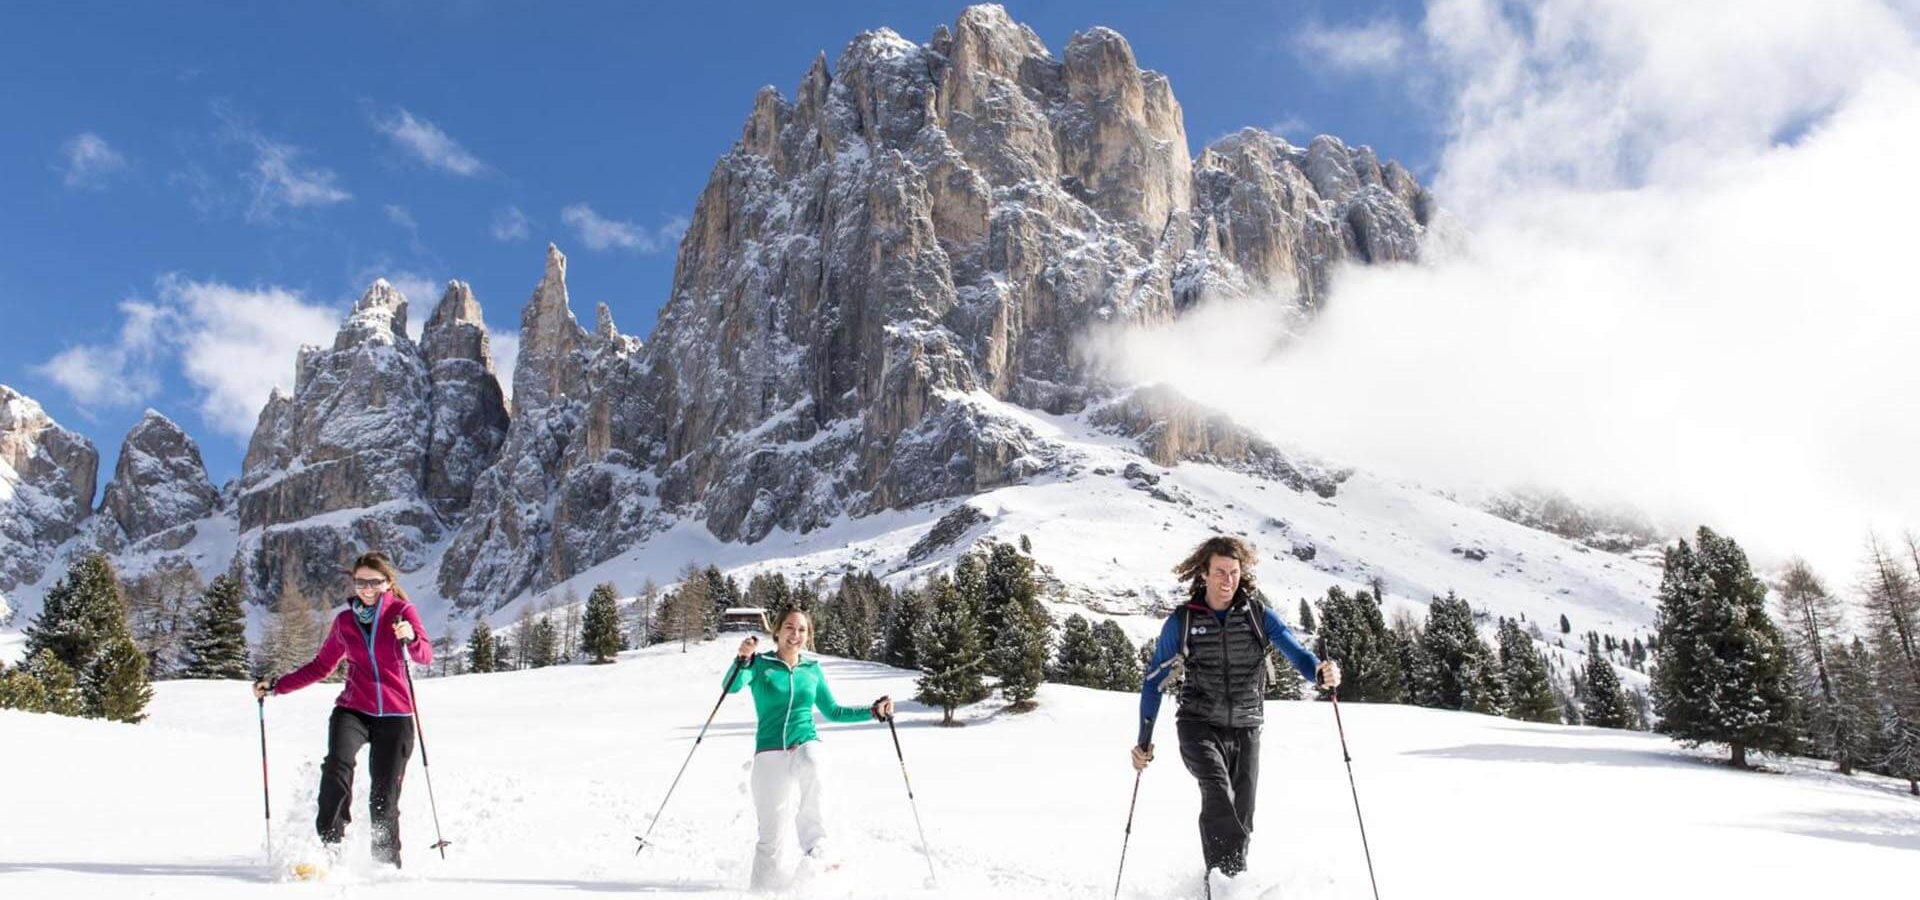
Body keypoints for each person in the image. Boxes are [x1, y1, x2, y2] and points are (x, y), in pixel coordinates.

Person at [1131, 536, 1341, 881]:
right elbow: (1154, 681)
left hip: (1246, 726)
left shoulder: (1258, 616)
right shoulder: (1183, 621)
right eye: (1220, 572)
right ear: (1204, 573)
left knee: (1242, 814)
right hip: (1198, 724)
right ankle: (1225, 885)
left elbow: (1298, 654)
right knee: (1216, 790)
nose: (1227, 580)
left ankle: (1228, 878)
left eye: (1234, 572)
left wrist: (1320, 671)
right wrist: (1143, 741)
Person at [254, 551, 433, 868]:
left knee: (384, 795)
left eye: (373, 582)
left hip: (395, 716)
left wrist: (412, 637)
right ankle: (329, 848)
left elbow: (424, 655)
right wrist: (278, 686)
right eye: (360, 581)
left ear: (387, 583)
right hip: (354, 709)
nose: (366, 588)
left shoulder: (402, 612)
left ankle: (385, 865)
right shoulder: (345, 621)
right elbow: (322, 666)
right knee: (337, 766)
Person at [727, 608, 894, 890]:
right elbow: (730, 687)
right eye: (790, 628)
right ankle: (762, 891)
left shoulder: (812, 670)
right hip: (769, 751)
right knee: (771, 836)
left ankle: (816, 847)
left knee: (814, 761)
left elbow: (834, 711)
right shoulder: (759, 664)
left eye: (802, 629)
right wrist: (742, 661)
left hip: (804, 740)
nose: (796, 634)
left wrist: (872, 711)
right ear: (777, 631)